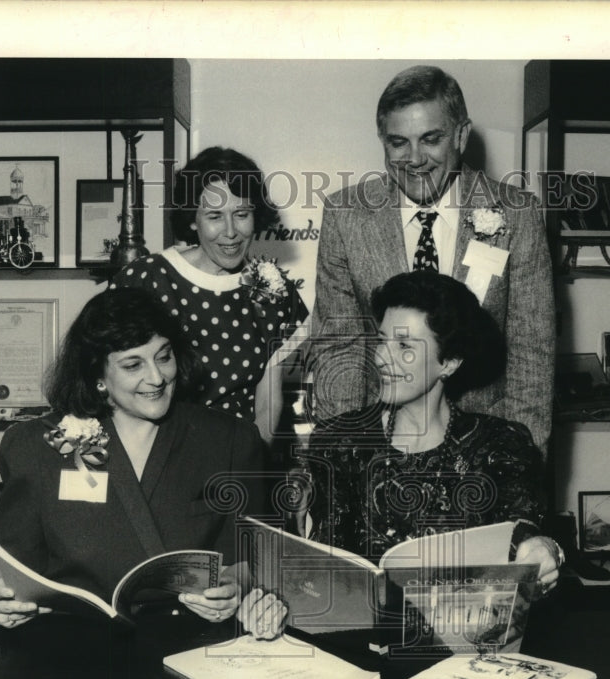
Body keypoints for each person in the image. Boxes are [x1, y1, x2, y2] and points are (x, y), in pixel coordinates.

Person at [0, 287, 286, 638]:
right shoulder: (35, 446)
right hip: (69, 648)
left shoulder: (229, 440)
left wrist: (232, 588)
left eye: (164, 357)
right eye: (133, 364)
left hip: (190, 644)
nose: (156, 378)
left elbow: (252, 560)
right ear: (98, 376)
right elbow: (2, 566)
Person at [309, 65, 554, 453]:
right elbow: (339, 348)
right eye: (398, 143)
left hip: (484, 446)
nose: (415, 158)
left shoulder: (516, 214)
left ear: (461, 134)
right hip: (383, 445)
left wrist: (519, 458)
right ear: (382, 141)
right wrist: (345, 455)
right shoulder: (346, 215)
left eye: (431, 139)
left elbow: (531, 356)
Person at [300, 272, 562, 595]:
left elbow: (523, 532)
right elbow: (325, 563)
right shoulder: (339, 442)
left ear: (449, 363)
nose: (382, 358)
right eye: (382, 340)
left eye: (405, 346)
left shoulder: (500, 445)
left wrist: (542, 549)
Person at [110, 147, 308, 447]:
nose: (231, 232)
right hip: (158, 458)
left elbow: (280, 395)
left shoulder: (274, 290)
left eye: (241, 214)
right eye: (215, 216)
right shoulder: (147, 279)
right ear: (192, 219)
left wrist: (256, 463)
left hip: (243, 458)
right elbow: (106, 377)